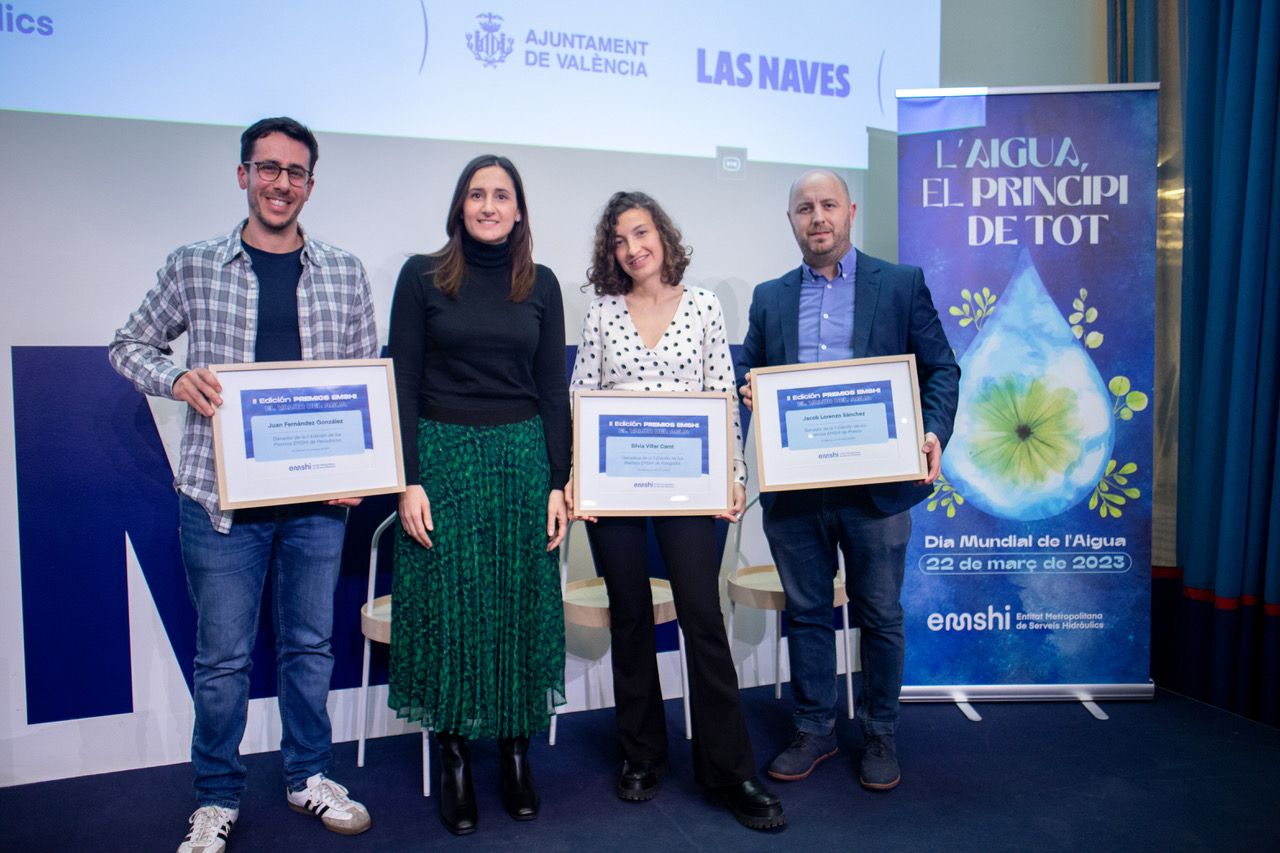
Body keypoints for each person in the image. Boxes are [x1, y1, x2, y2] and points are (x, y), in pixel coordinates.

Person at [109, 117, 376, 853]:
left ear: (310, 185)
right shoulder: (195, 264)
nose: (280, 183)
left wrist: (360, 468)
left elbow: (364, 381)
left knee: (309, 648)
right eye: (268, 168)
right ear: (243, 176)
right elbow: (127, 345)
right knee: (222, 661)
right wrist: (174, 377)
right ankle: (216, 797)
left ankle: (308, 776)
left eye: (295, 172)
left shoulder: (345, 271)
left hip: (317, 504)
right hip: (219, 500)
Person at [567, 191, 785, 831]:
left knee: (701, 616)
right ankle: (642, 754)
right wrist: (580, 481)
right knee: (631, 617)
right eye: (618, 240)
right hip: (615, 490)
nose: (632, 248)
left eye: (641, 233)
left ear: (662, 235)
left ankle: (730, 771)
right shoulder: (602, 312)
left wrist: (735, 477)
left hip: (691, 487)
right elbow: (581, 396)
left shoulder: (705, 306)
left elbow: (723, 395)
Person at [736, 169, 959, 792]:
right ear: (791, 220)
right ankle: (815, 728)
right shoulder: (770, 297)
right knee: (808, 613)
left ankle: (880, 731)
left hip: (878, 490)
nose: (818, 217)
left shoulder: (901, 284)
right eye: (805, 208)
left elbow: (941, 369)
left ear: (850, 212)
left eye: (828, 204)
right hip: (796, 490)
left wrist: (933, 432)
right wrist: (750, 388)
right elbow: (749, 368)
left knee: (879, 614)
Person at [386, 154, 570, 836]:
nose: (489, 205)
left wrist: (558, 481)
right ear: (459, 207)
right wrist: (408, 478)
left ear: (519, 211)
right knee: (451, 609)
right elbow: (402, 382)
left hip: (522, 461)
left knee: (520, 603)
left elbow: (551, 389)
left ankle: (517, 751)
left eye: (501, 195)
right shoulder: (421, 276)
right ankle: (456, 754)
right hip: (442, 460)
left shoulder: (543, 284)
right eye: (476, 194)